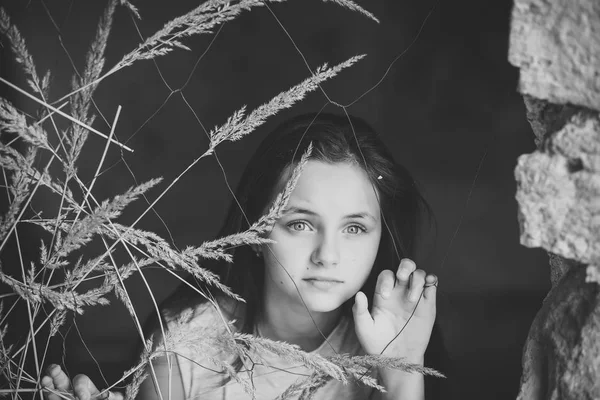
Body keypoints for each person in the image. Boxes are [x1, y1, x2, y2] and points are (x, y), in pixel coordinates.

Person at [41, 112, 446, 400]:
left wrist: (402, 369)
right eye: (300, 224)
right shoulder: (186, 344)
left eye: (354, 228)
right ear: (255, 229)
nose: (328, 255)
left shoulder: (386, 346)